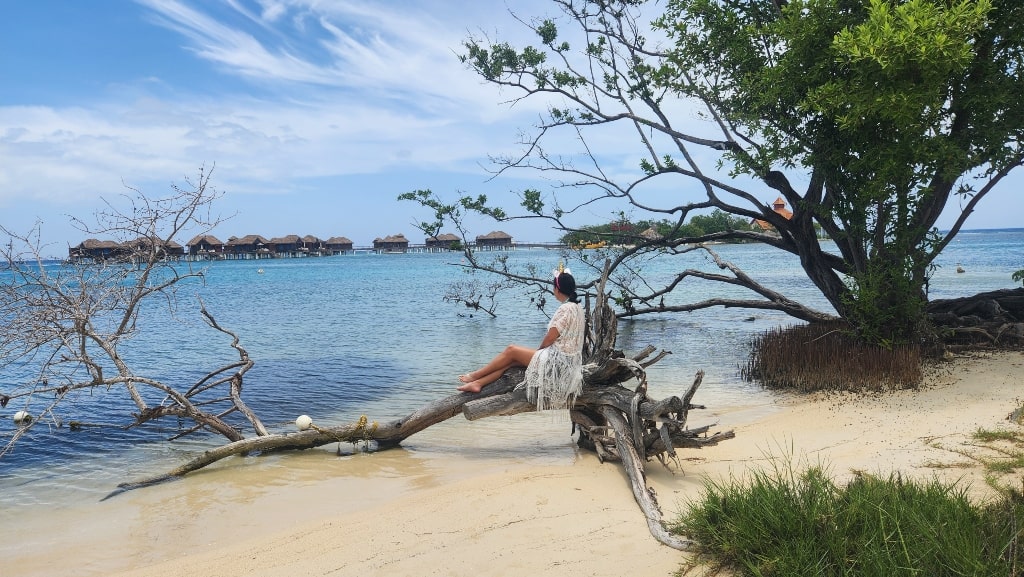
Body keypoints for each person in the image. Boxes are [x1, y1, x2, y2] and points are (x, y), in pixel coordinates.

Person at [457, 269, 586, 411]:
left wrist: (539, 353)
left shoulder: (565, 309)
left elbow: (550, 337)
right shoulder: (577, 307)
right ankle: (479, 383)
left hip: (557, 362)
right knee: (511, 362)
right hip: (568, 363)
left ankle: (475, 375)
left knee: (511, 350)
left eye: (553, 287)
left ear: (557, 289)